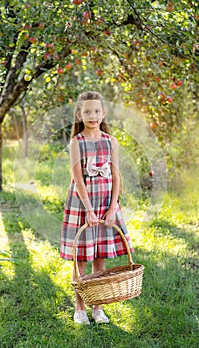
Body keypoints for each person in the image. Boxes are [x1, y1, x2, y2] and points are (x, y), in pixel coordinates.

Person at [60, 91, 134, 325]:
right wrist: (89, 211)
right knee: (81, 258)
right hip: (84, 205)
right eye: (87, 111)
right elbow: (78, 179)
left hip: (105, 205)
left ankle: (97, 307)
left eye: (96, 111)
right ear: (79, 115)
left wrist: (112, 208)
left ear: (104, 113)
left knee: (100, 257)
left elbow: (116, 175)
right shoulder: (76, 143)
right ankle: (79, 307)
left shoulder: (110, 141)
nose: (92, 116)